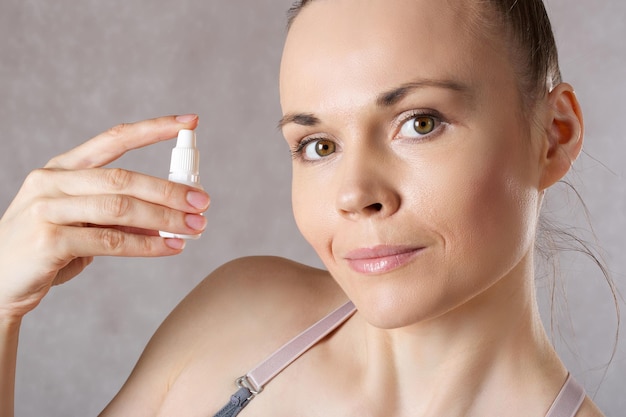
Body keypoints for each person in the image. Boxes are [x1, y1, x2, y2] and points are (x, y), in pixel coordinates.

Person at [0, 0, 610, 415]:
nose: (353, 194)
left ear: (554, 134)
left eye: (419, 122)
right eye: (318, 145)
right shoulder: (238, 314)